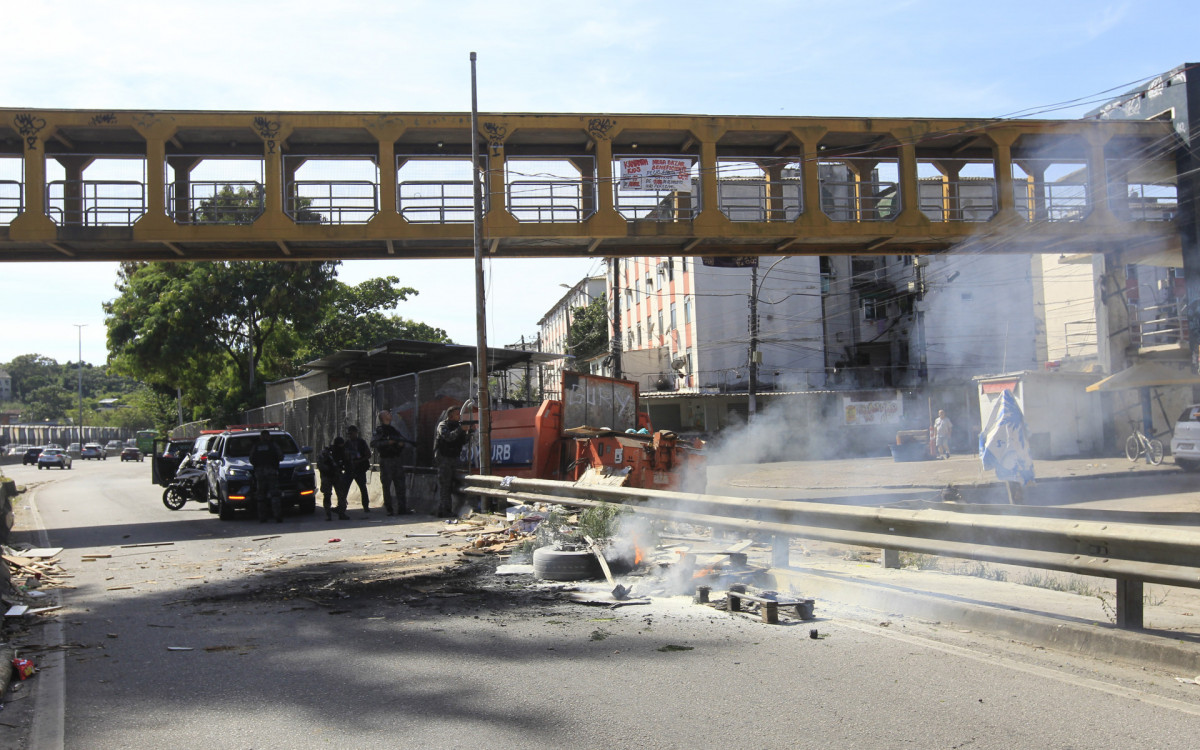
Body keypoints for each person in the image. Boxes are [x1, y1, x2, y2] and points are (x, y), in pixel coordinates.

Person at [371, 409, 413, 516]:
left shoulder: (393, 430)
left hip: (396, 459)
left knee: (400, 485)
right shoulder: (380, 430)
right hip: (386, 460)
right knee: (387, 485)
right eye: (387, 413)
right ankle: (389, 509)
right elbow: (374, 443)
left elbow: (402, 441)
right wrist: (387, 442)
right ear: (383, 417)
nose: (390, 414)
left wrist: (400, 445)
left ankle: (402, 508)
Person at [433, 405, 471, 518]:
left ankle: (443, 509)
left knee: (451, 485)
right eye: (457, 414)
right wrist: (460, 429)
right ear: (450, 416)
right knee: (445, 485)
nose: (459, 416)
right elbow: (448, 437)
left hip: (454, 458)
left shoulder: (457, 426)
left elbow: (463, 441)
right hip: (444, 459)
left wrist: (468, 432)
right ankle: (445, 510)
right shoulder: (443, 425)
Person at [248, 430, 285, 523]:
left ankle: (262, 517)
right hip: (272, 472)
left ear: (260, 437)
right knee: (275, 494)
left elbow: (251, 459)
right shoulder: (273, 445)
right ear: (269, 436)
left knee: (261, 495)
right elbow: (281, 456)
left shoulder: (256, 446)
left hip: (260, 473)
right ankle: (277, 515)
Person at [317, 437, 350, 521]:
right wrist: (329, 469)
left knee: (341, 495)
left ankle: (341, 513)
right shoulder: (327, 453)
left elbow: (347, 463)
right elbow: (320, 464)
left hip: (337, 475)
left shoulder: (342, 452)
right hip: (327, 476)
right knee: (327, 495)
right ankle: (328, 514)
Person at [343, 425, 372, 513]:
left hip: (359, 469)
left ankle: (366, 506)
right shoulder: (347, 444)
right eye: (348, 434)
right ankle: (342, 505)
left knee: (363, 488)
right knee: (344, 488)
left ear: (356, 433)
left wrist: (359, 461)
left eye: (351, 433)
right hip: (349, 469)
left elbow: (368, 454)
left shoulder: (361, 442)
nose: (350, 435)